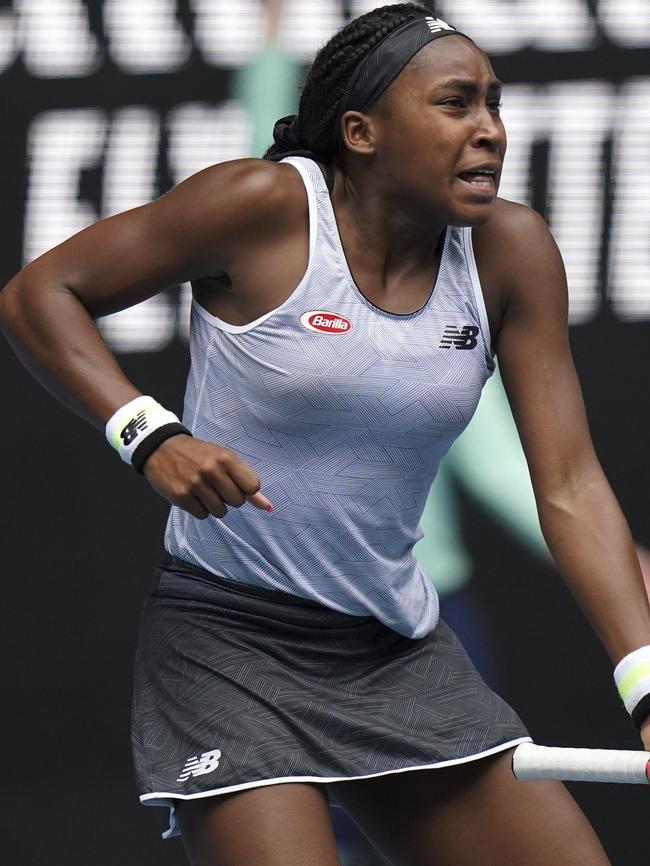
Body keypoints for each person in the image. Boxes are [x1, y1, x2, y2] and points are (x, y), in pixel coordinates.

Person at [1, 4, 649, 865]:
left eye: (494, 104)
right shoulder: (259, 205)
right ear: (362, 131)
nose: (490, 129)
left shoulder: (511, 250)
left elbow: (569, 485)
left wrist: (645, 685)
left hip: (393, 647)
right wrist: (149, 433)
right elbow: (37, 294)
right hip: (227, 645)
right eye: (456, 103)